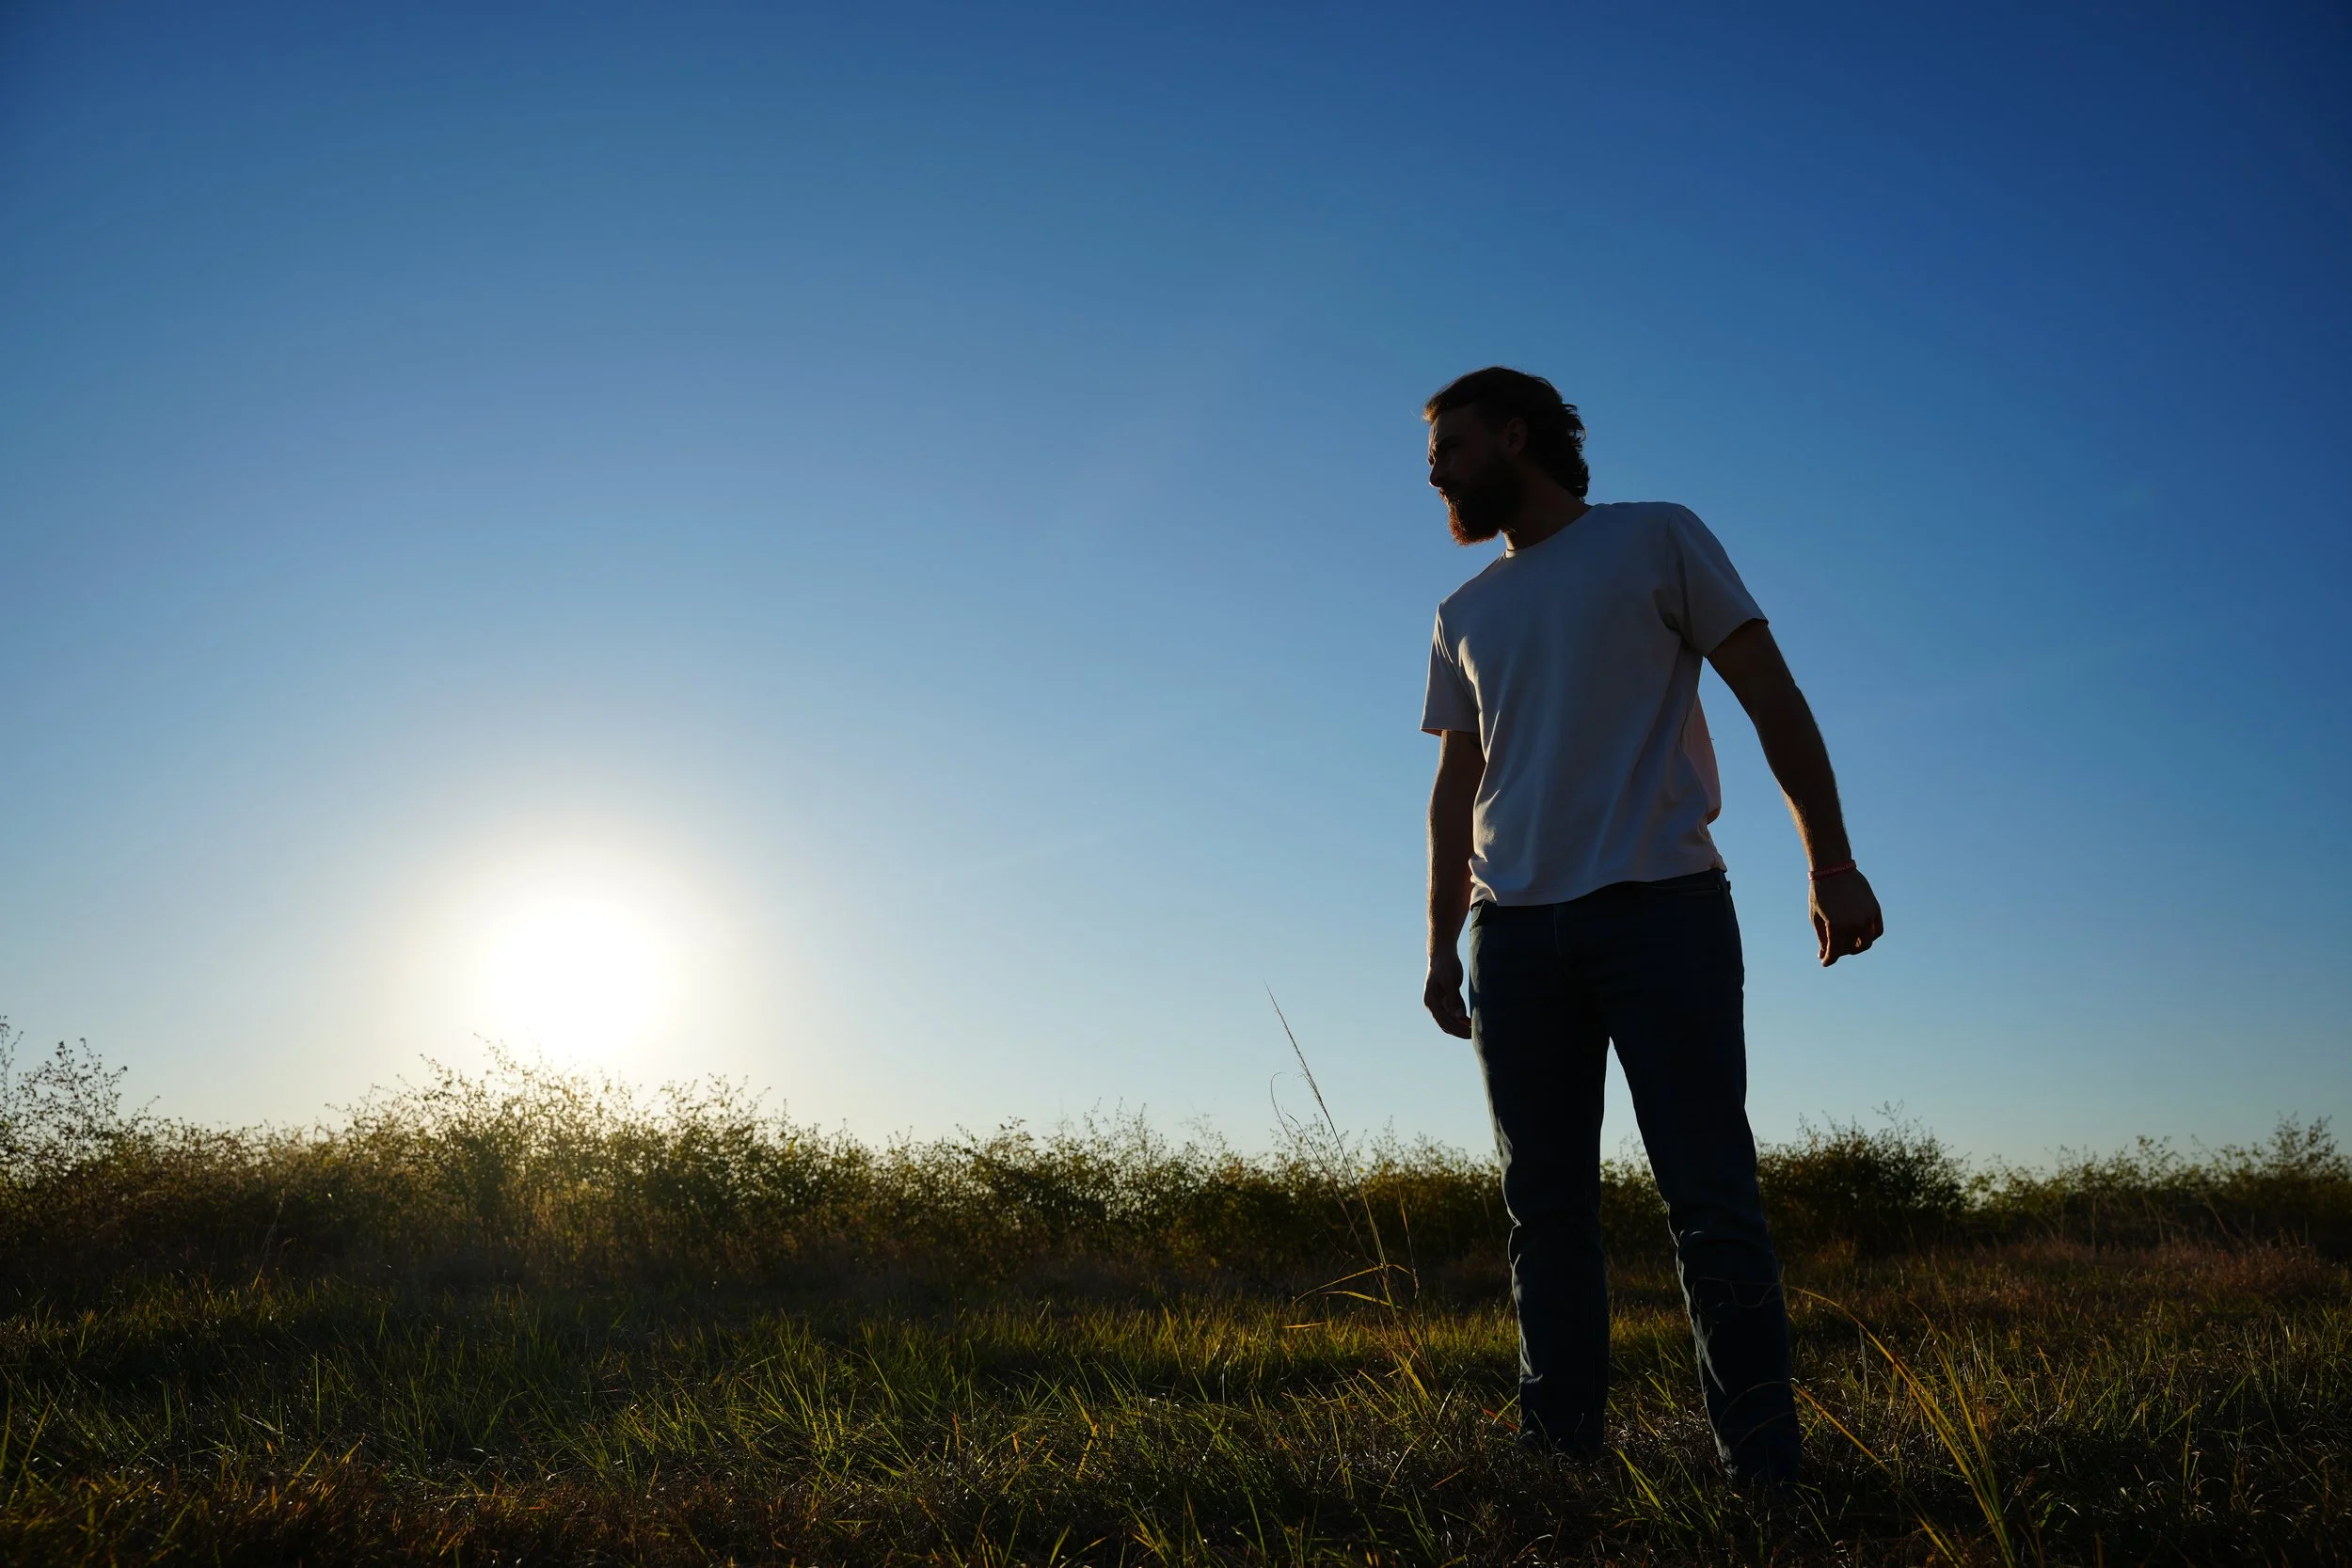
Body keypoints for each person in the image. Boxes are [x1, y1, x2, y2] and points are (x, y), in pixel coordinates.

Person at [1418, 367, 1883, 1485]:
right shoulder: (1462, 612)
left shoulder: (1655, 537)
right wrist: (1440, 941)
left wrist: (1829, 859)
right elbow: (1454, 788)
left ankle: (1765, 1473)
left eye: (1450, 450)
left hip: (1660, 911)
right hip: (1512, 937)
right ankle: (1561, 1462)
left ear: (1515, 436)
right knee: (1543, 1210)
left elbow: (1771, 695)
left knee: (1709, 1196)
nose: (1435, 476)